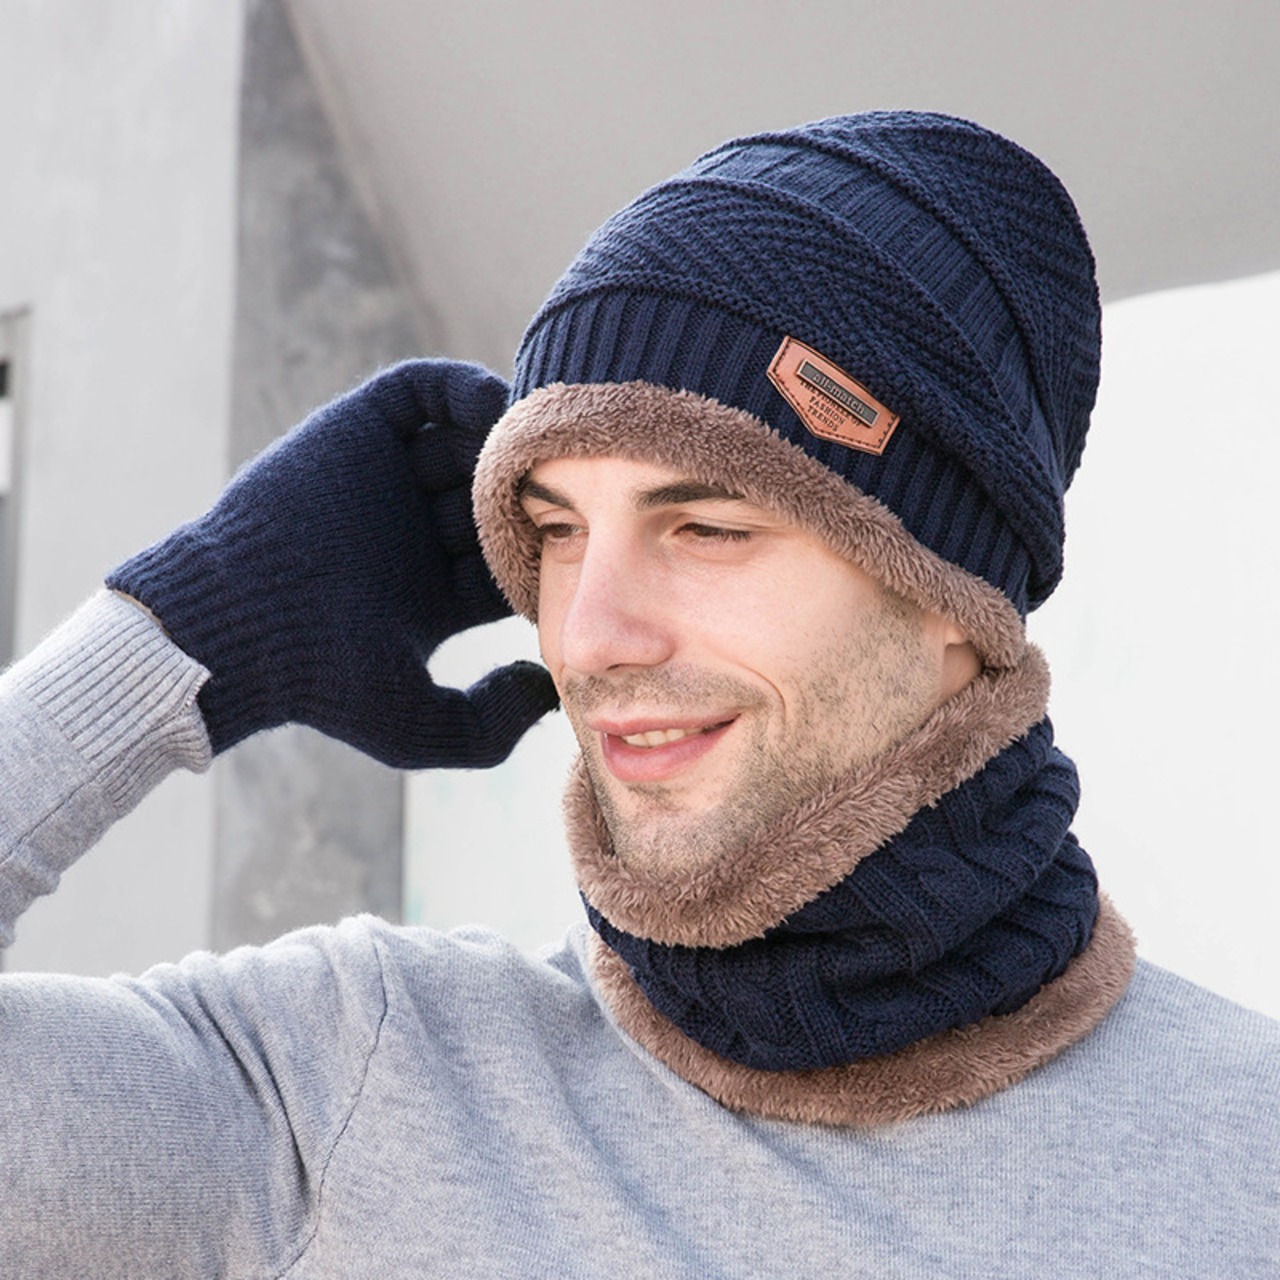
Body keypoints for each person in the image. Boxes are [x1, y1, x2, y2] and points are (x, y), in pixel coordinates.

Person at [1, 111, 1276, 1278]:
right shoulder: (354, 1083)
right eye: (554, 530)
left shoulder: (1243, 1158)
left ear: (951, 587)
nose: (587, 634)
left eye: (706, 524)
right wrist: (185, 626)